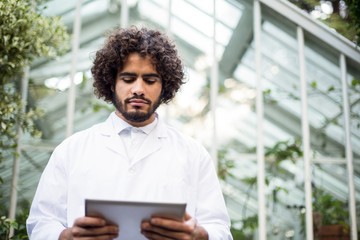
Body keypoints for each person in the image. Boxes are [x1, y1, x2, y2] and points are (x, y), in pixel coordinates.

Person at [26, 26, 233, 240]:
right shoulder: (71, 150)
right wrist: (65, 237)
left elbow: (219, 228)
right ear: (111, 83)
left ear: (165, 86)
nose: (138, 89)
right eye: (128, 79)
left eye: (150, 80)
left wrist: (200, 235)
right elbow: (41, 222)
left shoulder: (193, 154)